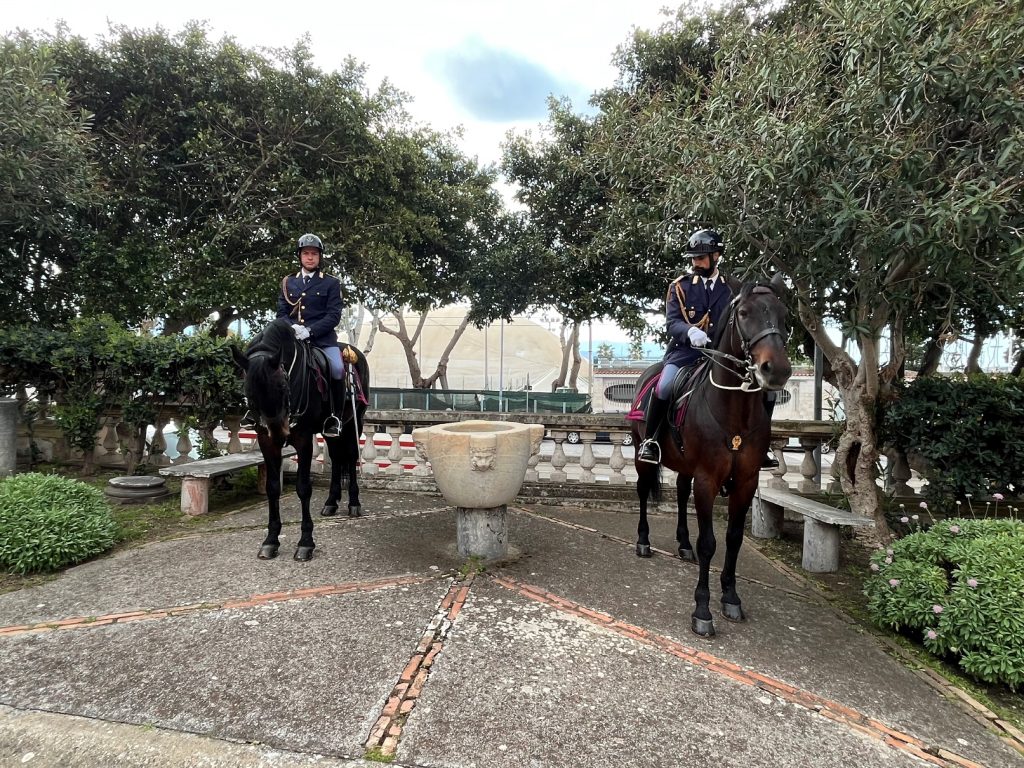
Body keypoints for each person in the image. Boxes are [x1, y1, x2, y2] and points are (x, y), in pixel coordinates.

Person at [637, 228, 733, 465]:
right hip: (685, 352)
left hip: (721, 355)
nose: (695, 263)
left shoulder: (731, 288)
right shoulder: (680, 286)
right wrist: (690, 331)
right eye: (693, 259)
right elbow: (672, 323)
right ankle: (651, 440)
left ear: (716, 256)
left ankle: (760, 446)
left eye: (700, 258)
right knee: (665, 387)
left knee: (757, 388)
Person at [278, 233, 346, 437]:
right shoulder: (288, 282)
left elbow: (334, 315)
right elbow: (281, 313)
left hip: (322, 341)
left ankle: (334, 417)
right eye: (306, 253)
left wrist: (310, 330)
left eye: (314, 254)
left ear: (319, 257)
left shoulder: (331, 283)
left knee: (336, 370)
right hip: (293, 340)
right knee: (266, 364)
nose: (310, 257)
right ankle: (259, 412)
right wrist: (292, 329)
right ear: (299, 256)